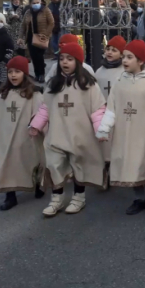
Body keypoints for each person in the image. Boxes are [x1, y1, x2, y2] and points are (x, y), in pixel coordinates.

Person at [29, 42, 106, 216]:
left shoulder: (88, 84)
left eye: (70, 59)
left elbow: (98, 109)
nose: (64, 62)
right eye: (62, 58)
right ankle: (56, 199)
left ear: (78, 62)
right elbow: (45, 108)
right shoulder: (52, 84)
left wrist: (101, 129)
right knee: (54, 165)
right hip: (57, 133)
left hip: (79, 134)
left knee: (79, 165)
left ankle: (79, 197)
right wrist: (36, 125)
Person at [96, 40, 145, 215]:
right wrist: (104, 128)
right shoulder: (119, 82)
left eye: (130, 57)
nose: (125, 61)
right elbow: (112, 108)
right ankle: (139, 198)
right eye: (124, 57)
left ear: (141, 61)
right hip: (125, 132)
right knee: (129, 163)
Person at [0, 56, 45, 211]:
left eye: (17, 72)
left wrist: (35, 127)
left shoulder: (34, 93)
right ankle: (10, 196)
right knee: (7, 163)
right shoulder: (3, 94)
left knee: (31, 159)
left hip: (26, 135)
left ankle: (37, 185)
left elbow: (40, 113)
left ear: (25, 74)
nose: (13, 75)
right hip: (6, 136)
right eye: (10, 72)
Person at [94, 35, 126, 184]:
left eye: (114, 50)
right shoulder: (99, 72)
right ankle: (105, 171)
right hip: (103, 113)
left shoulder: (124, 72)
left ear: (121, 53)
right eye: (108, 49)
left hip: (119, 114)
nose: (110, 52)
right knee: (104, 145)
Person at [18, 0, 54, 83]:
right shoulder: (28, 12)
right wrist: (20, 37)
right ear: (30, 4)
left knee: (39, 56)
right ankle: (37, 74)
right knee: (34, 57)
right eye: (34, 3)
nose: (36, 4)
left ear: (40, 2)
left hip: (41, 37)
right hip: (30, 37)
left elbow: (51, 23)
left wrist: (46, 34)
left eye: (38, 2)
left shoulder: (45, 10)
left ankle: (41, 74)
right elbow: (23, 26)